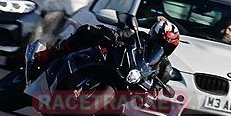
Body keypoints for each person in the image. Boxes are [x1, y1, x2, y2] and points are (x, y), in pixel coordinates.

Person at [31, 19, 180, 80]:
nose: (162, 46)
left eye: (167, 45)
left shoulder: (164, 65)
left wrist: (154, 88)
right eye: (160, 41)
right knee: (86, 31)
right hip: (110, 64)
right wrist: (114, 35)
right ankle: (47, 55)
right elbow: (125, 33)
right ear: (153, 35)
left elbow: (162, 83)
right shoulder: (139, 38)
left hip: (121, 88)